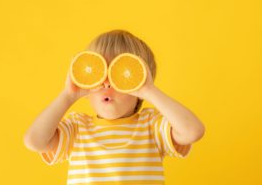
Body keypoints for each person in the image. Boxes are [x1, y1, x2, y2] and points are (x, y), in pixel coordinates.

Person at [24, 29, 205, 185]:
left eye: (119, 75)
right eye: (99, 73)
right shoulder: (77, 128)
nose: (107, 84)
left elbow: (193, 131)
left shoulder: (151, 126)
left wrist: (150, 91)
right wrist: (68, 96)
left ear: (139, 83)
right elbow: (34, 141)